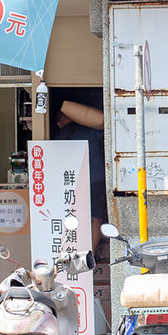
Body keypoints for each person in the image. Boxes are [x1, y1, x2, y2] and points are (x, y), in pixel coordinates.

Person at [54, 100, 107, 251]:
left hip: (73, 183)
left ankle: (73, 253)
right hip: (97, 180)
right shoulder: (90, 130)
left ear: (60, 121)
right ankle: (90, 254)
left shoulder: (59, 135)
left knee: (74, 218)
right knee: (96, 219)